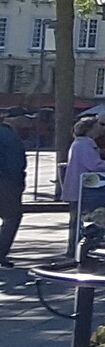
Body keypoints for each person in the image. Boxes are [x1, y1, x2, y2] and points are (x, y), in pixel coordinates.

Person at [0, 108, 30, 266]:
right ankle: (1, 252)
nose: (29, 122)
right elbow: (15, 164)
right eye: (26, 118)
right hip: (6, 182)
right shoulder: (11, 137)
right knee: (12, 217)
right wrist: (18, 182)